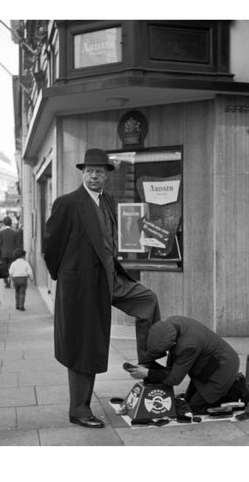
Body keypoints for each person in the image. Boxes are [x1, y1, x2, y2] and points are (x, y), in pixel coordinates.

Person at [42, 147, 162, 429]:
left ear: (107, 175)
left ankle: (146, 369)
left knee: (147, 300)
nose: (94, 175)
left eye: (99, 171)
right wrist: (68, 278)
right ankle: (79, 409)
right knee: (85, 344)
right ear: (83, 173)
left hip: (111, 278)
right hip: (82, 286)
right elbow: (50, 246)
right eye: (89, 171)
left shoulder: (107, 200)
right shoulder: (68, 203)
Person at [128, 315, 249, 414]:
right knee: (187, 400)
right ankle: (224, 389)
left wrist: (147, 373)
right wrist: (149, 368)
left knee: (196, 407)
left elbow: (174, 378)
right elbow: (171, 365)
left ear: (172, 344)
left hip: (223, 367)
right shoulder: (171, 324)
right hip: (207, 366)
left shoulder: (188, 345)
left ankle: (235, 391)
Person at [0, 216, 18, 288]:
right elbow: (17, 244)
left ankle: (6, 283)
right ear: (11, 223)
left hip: (3, 253)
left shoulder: (0, 232)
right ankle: (11, 280)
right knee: (12, 268)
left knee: (3, 269)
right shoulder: (15, 232)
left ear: (3, 223)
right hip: (13, 253)